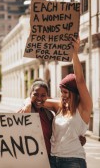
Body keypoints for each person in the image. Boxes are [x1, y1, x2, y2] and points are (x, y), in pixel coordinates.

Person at [48, 37, 93, 168]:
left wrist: (74, 52)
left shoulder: (84, 108)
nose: (62, 96)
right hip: (53, 159)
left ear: (74, 93)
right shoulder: (59, 107)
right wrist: (28, 102)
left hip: (72, 161)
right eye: (61, 92)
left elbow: (80, 81)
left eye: (66, 92)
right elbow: (38, 100)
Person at [18, 79, 54, 157]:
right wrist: (27, 104)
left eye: (43, 95)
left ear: (47, 96)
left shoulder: (49, 114)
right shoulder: (24, 111)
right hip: (30, 159)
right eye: (36, 94)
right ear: (30, 95)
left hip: (48, 158)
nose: (39, 98)